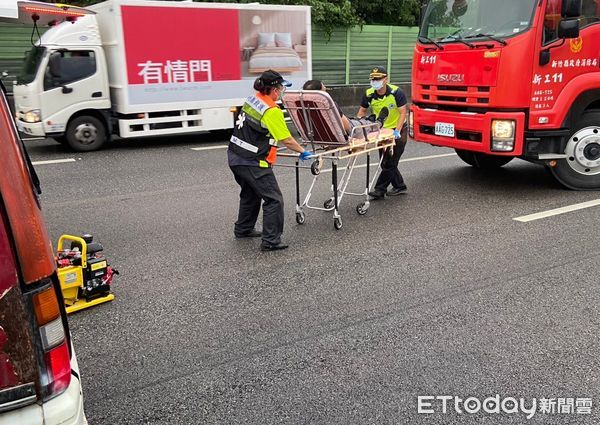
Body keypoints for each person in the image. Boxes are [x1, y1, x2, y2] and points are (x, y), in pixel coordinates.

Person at [228, 69, 312, 252]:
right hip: (253, 161)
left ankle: (243, 229)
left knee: (250, 194)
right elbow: (286, 139)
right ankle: (271, 240)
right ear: (274, 89)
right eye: (281, 87)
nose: (282, 91)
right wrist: (302, 151)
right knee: (274, 199)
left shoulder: (254, 99)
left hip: (235, 156)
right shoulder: (271, 110)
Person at [356, 66, 408, 199]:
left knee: (391, 161)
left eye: (378, 78)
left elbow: (403, 112)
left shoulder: (396, 92)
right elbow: (362, 111)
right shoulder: (369, 94)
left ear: (386, 79)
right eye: (373, 79)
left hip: (398, 130)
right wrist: (359, 126)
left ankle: (380, 190)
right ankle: (400, 186)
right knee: (385, 162)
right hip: (382, 131)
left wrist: (397, 130)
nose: (375, 81)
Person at [302, 79, 388, 136]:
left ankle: (368, 120)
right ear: (320, 92)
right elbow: (347, 127)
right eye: (324, 88)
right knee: (363, 124)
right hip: (340, 133)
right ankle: (379, 122)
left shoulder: (301, 106)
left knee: (359, 120)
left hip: (317, 135)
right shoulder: (327, 104)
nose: (326, 89)